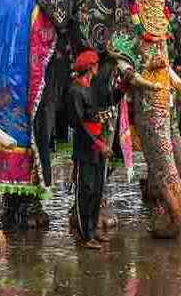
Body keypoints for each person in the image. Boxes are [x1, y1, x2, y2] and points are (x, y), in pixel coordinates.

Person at [68, 50, 122, 250]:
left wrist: (122, 87)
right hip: (85, 147)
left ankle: (92, 231)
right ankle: (85, 235)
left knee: (97, 190)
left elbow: (109, 99)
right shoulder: (75, 91)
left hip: (98, 145)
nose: (99, 67)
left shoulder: (91, 88)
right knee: (86, 190)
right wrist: (100, 145)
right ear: (90, 68)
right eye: (97, 64)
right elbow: (79, 125)